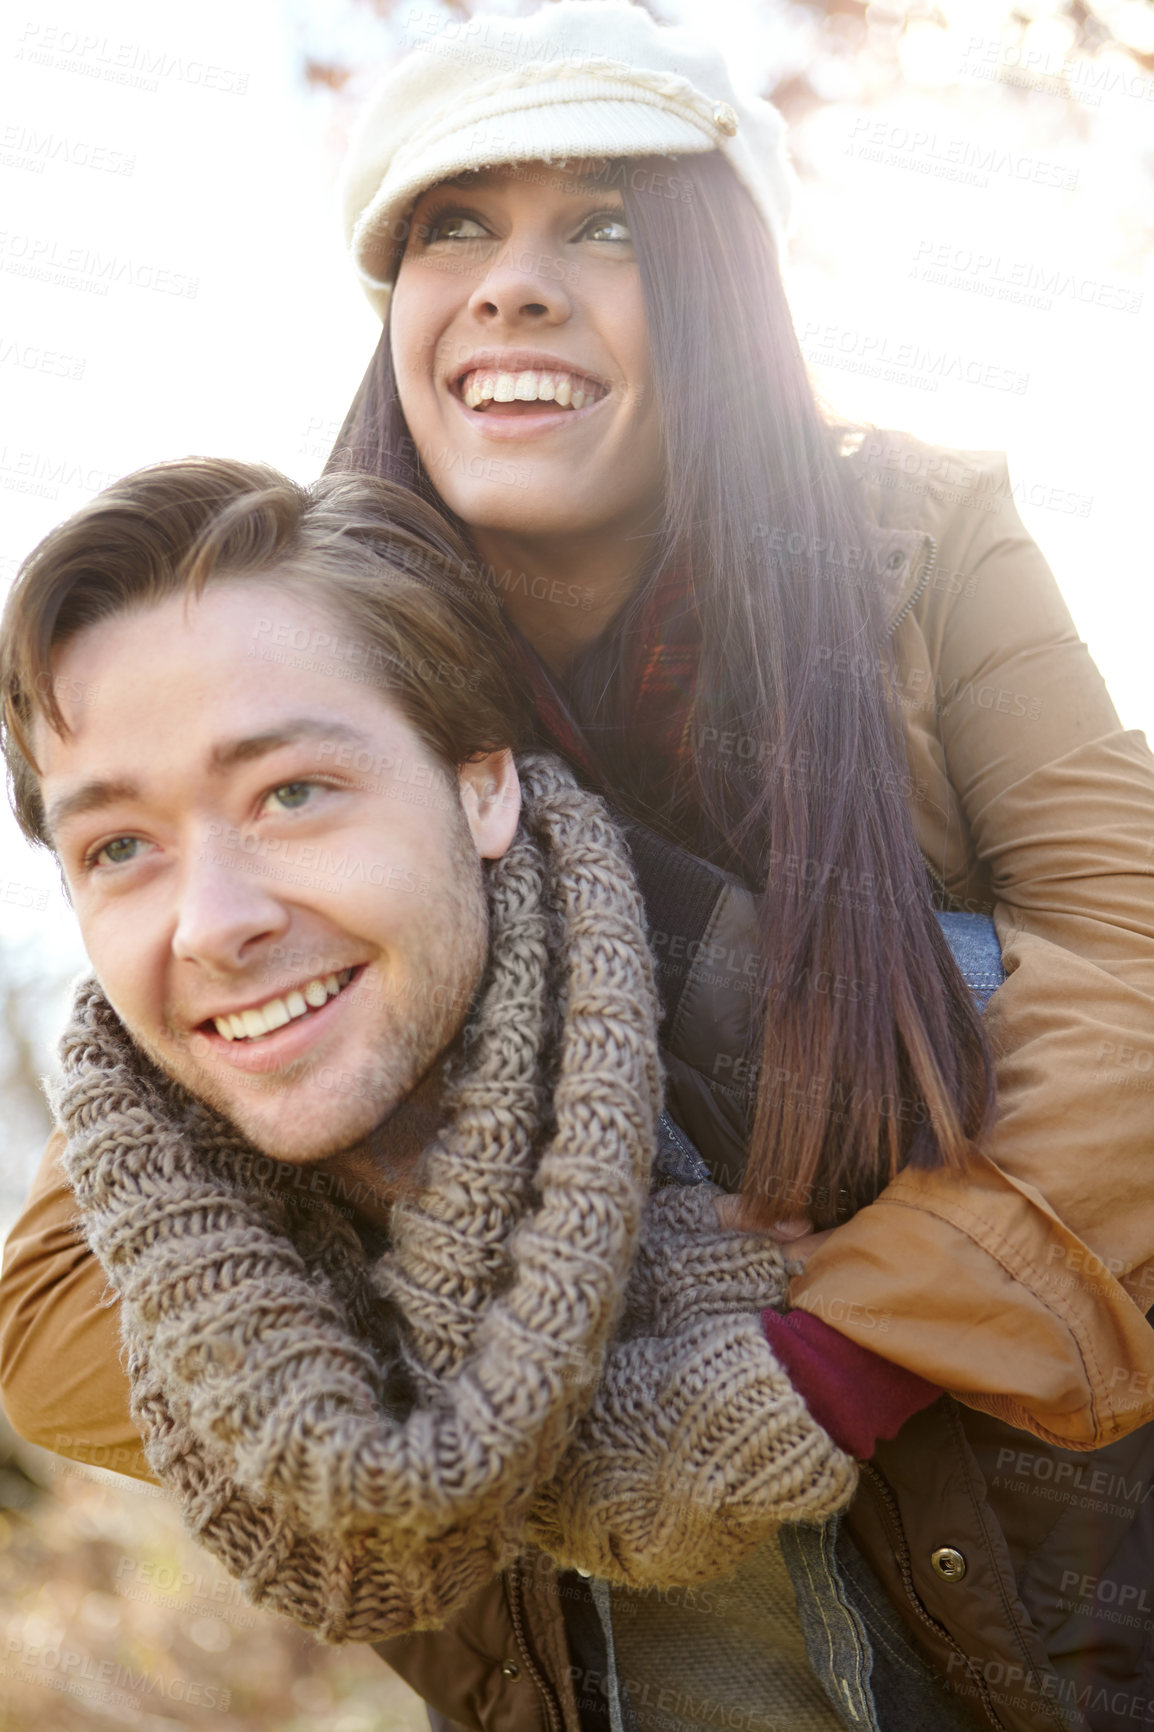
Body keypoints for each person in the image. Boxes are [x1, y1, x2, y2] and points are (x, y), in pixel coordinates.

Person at [3, 2, 1154, 1726]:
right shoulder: (309, 649)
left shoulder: (910, 538)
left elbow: (1133, 984)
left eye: (603, 226)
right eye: (448, 227)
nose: (512, 282)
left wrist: (809, 1358)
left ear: (720, 297)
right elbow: (75, 1295)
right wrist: (477, 1421)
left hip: (998, 1516)